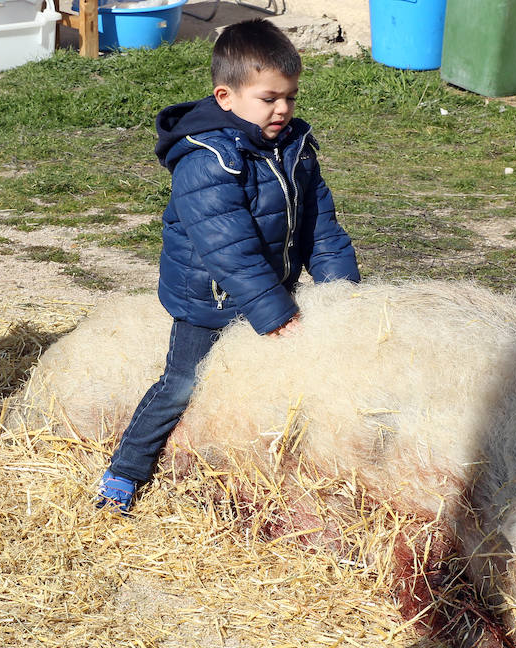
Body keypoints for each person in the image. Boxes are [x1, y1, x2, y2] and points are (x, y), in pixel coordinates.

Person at [96, 18, 360, 513]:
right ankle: (124, 472)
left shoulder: (293, 148)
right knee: (182, 384)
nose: (282, 109)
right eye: (268, 98)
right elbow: (229, 248)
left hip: (271, 287)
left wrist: (343, 294)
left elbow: (320, 225)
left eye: (290, 97)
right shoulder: (208, 160)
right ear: (225, 96)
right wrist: (272, 311)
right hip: (211, 299)